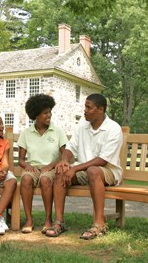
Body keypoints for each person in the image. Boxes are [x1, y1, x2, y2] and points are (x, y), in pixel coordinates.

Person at [45, 93, 123, 240]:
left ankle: (99, 224)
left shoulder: (113, 128)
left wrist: (74, 168)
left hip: (109, 171)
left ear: (101, 110)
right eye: (85, 107)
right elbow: (70, 148)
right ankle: (59, 222)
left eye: (89, 107)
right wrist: (64, 161)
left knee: (93, 171)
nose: (85, 110)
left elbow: (103, 160)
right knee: (61, 172)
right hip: (83, 169)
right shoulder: (82, 125)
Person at [17, 94, 68, 234]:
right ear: (36, 114)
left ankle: (48, 220)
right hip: (33, 168)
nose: (49, 115)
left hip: (52, 167)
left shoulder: (57, 131)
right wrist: (26, 165)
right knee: (26, 179)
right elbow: (20, 160)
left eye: (50, 112)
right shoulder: (26, 133)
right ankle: (29, 220)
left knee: (45, 179)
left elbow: (65, 156)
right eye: (45, 113)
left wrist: (51, 166)